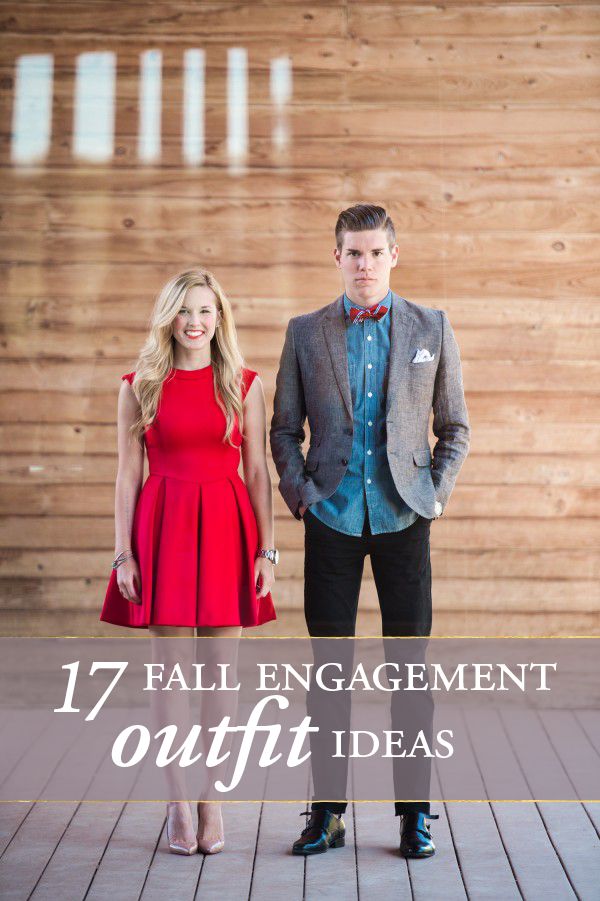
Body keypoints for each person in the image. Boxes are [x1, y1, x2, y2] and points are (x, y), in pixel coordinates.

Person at [270, 204, 470, 858]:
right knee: (329, 676)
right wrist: (300, 493)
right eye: (352, 253)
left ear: (393, 255)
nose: (364, 264)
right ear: (336, 258)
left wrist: (433, 494)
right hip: (330, 517)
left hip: (404, 519)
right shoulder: (305, 333)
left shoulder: (431, 326)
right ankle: (327, 814)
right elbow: (283, 428)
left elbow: (455, 427)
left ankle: (414, 816)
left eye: (374, 253)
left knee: (410, 675)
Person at [100, 267, 278, 855]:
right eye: (185, 311)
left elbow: (257, 472)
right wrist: (123, 552)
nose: (196, 322)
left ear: (219, 317)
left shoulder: (243, 384)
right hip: (165, 525)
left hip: (228, 526)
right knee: (171, 670)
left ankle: (211, 798)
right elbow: (129, 474)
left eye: (206, 311)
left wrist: (266, 550)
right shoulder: (139, 384)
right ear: (168, 318)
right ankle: (177, 800)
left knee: (220, 675)